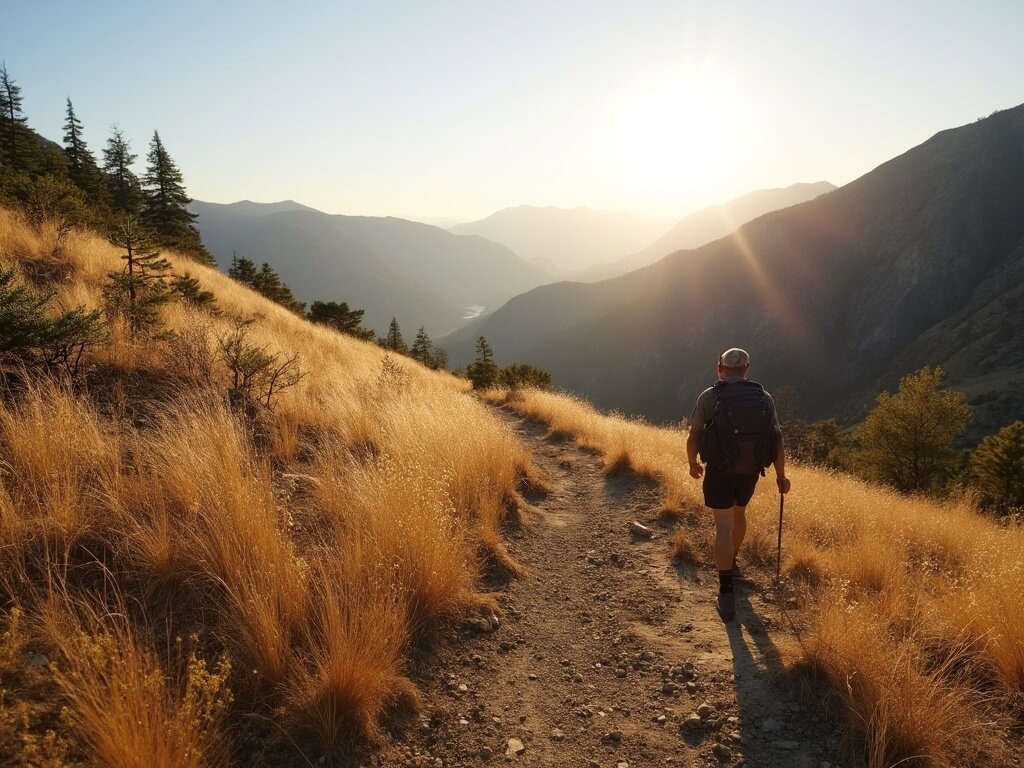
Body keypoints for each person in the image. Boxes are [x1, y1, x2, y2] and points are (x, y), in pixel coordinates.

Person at [686, 348, 790, 621]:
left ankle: (726, 591)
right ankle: (731, 561)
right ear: (747, 368)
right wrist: (781, 476)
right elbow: (777, 439)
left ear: (719, 368)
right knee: (739, 514)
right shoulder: (763, 398)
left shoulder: (710, 396)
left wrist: (692, 463)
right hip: (751, 471)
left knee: (722, 525)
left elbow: (694, 434)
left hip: (719, 471)